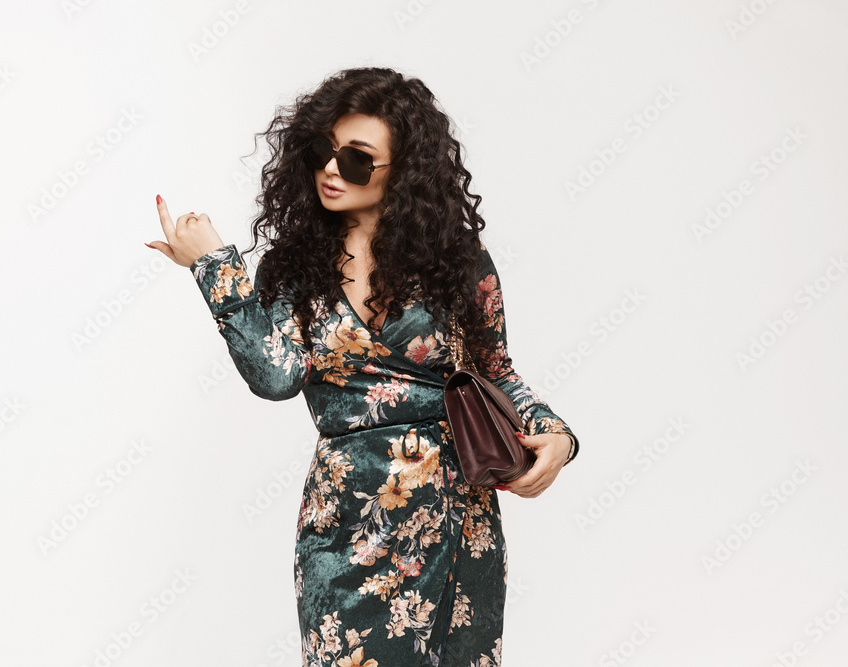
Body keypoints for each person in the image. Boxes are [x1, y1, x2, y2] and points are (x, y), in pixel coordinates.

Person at [147, 67, 579, 667]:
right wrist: (217, 270)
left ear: (404, 169)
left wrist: (558, 437)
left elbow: (497, 371)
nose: (330, 170)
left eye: (356, 160)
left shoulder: (456, 260)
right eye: (323, 152)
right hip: (347, 516)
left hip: (455, 514)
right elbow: (275, 376)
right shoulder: (293, 267)